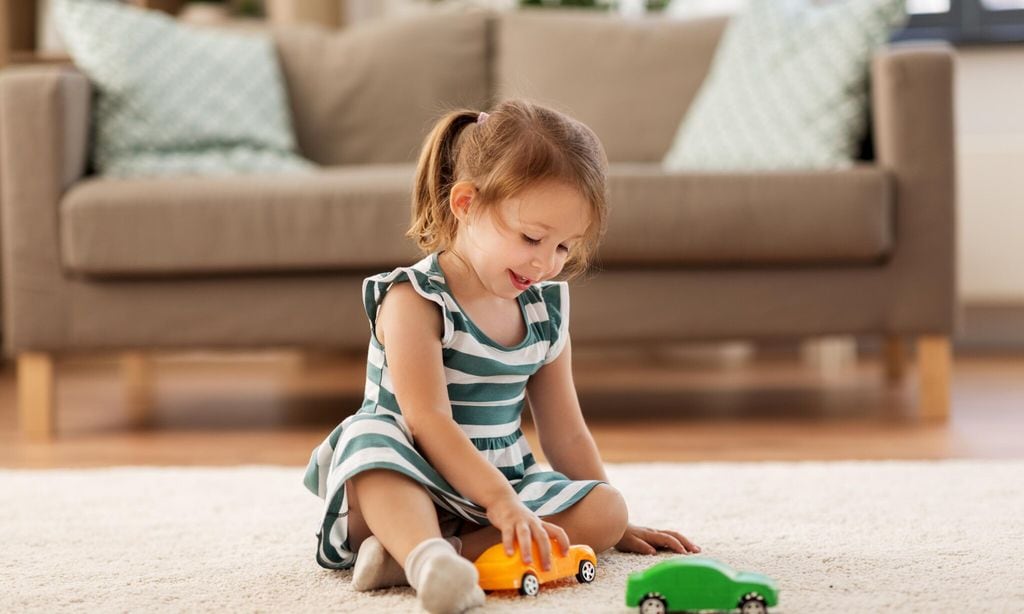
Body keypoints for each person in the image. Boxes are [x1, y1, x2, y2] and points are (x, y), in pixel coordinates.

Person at [303, 99, 700, 613]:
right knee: (371, 441)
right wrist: (499, 502)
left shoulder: (544, 310)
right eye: (532, 237)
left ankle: (425, 560)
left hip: (501, 486)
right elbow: (428, 421)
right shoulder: (414, 301)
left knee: (606, 508)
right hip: (409, 476)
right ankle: (419, 548)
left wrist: (613, 523)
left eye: (564, 248)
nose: (546, 263)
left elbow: (567, 432)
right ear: (465, 204)